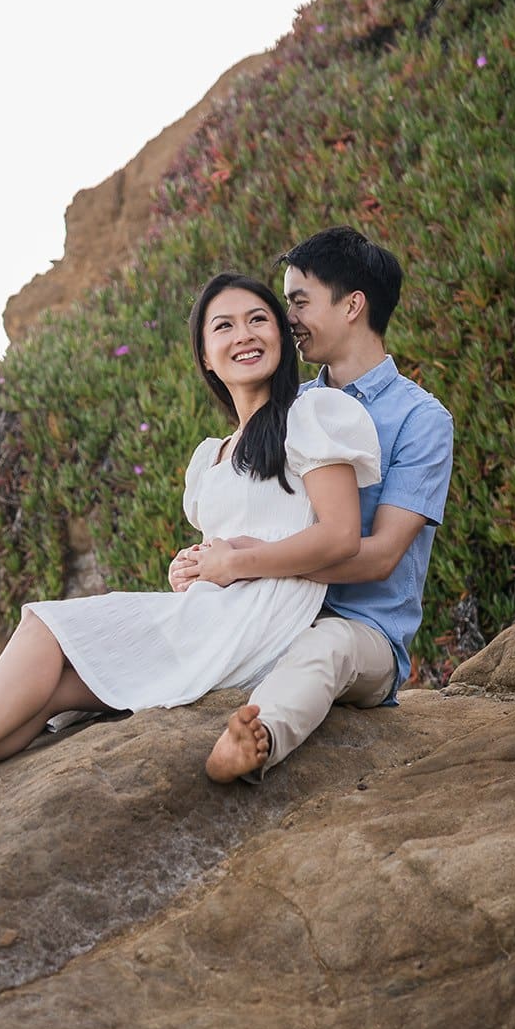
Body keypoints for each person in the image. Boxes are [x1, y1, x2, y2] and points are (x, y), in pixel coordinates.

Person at [0, 271, 381, 803]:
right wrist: (192, 567)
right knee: (57, 687)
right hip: (213, 616)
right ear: (205, 357)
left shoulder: (313, 413)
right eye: (224, 326)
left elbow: (338, 539)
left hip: (262, 623)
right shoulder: (211, 456)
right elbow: (228, 547)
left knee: (46, 623)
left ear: (281, 334)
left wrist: (237, 563)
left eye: (258, 319)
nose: (244, 335)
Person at [177, 226, 454, 784]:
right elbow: (247, 512)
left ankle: (261, 739)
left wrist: (249, 560)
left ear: (353, 305)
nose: (288, 320)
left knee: (326, 647)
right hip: (271, 614)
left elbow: (379, 558)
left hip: (363, 633)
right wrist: (206, 560)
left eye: (299, 302)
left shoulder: (421, 421)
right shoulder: (293, 405)